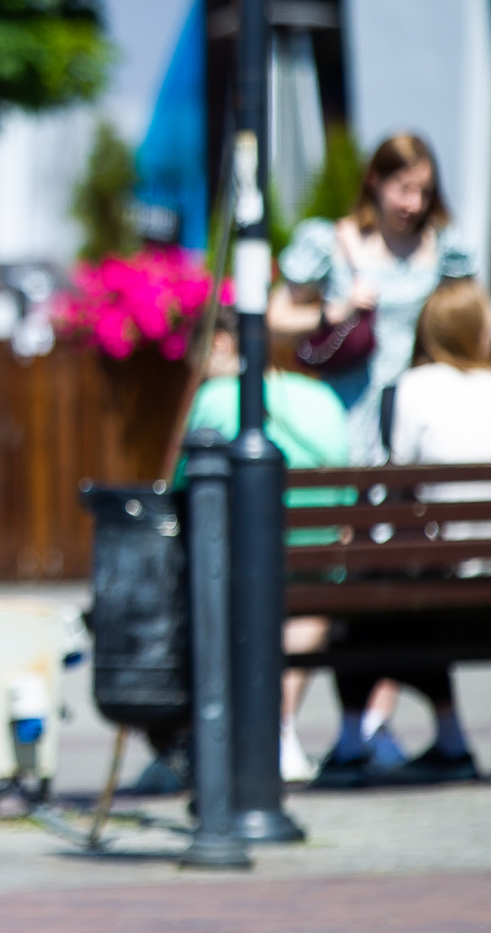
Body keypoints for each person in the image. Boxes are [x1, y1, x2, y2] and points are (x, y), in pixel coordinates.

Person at [175, 307, 365, 784]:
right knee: (306, 606)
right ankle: (279, 727)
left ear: (219, 343)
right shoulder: (319, 393)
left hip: (240, 559)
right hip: (318, 556)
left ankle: (244, 733)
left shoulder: (217, 396)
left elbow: (185, 486)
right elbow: (344, 480)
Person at [332, 278, 489, 786]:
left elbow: (393, 486)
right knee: (408, 607)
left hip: (445, 576)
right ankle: (449, 739)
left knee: (370, 611)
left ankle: (355, 739)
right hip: (474, 573)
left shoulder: (410, 390)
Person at [268, 133, 473, 467]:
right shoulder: (331, 242)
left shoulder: (445, 250)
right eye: (404, 189)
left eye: (425, 191)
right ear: (375, 181)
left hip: (415, 415)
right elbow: (273, 322)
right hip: (345, 416)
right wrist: (331, 313)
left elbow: (476, 321)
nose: (415, 204)